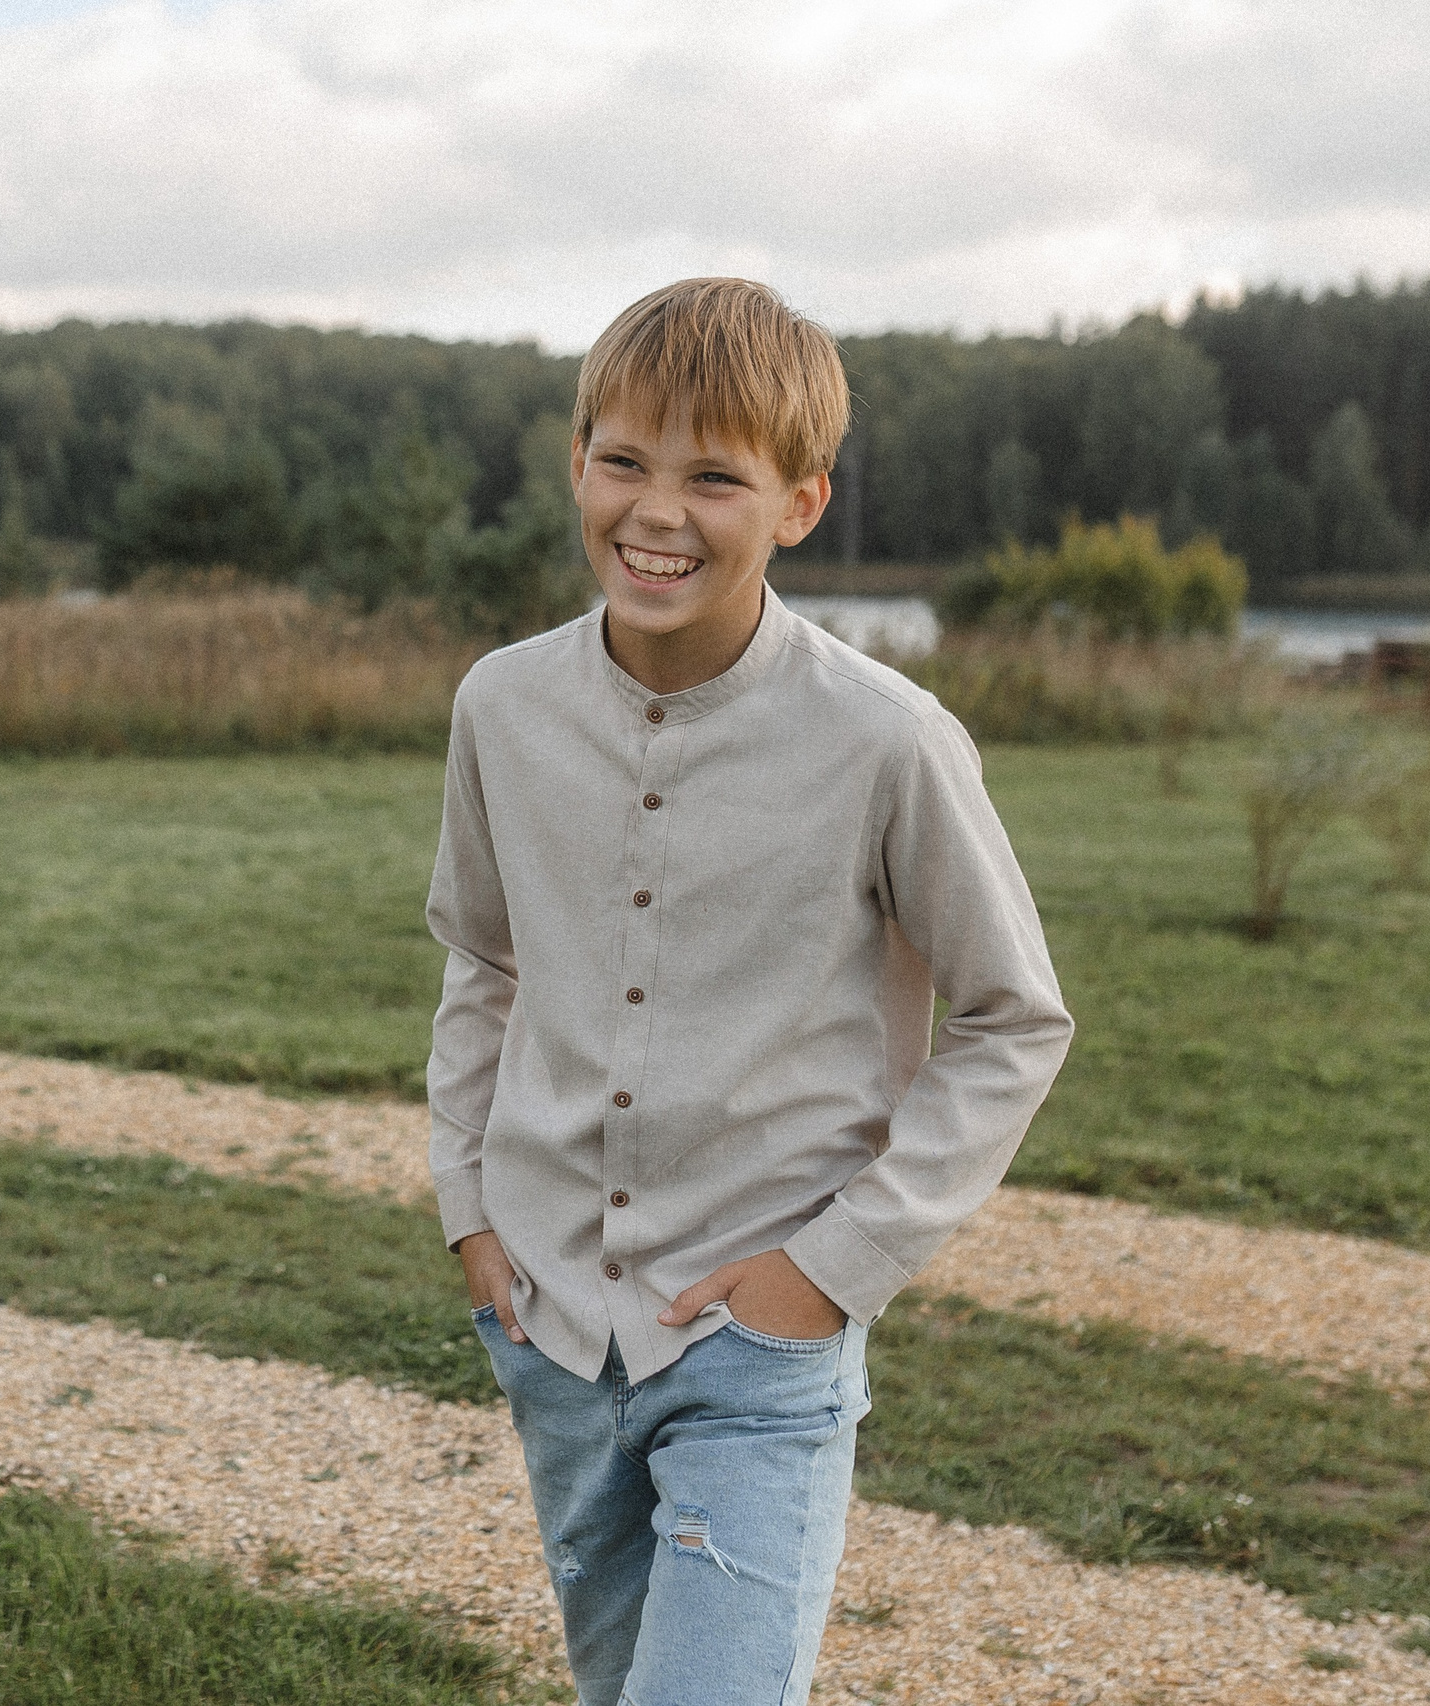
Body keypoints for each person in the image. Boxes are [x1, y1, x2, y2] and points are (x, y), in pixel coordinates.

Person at [425, 278, 1073, 1706]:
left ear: (799, 502)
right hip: (548, 1322)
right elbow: (483, 957)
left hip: (757, 1338)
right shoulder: (501, 707)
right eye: (624, 460)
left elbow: (1015, 1019)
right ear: (576, 462)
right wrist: (468, 1202)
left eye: (714, 475)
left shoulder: (888, 741)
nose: (658, 511)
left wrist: (828, 1272)